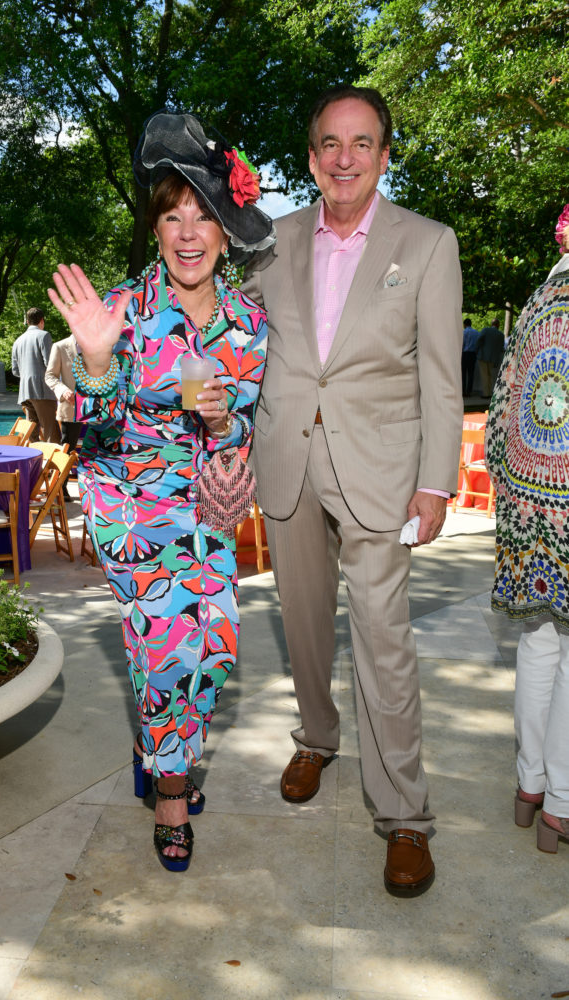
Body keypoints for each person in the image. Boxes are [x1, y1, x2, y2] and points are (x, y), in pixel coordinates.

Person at [242, 84, 462, 896]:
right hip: (288, 462)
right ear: (310, 158)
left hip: (380, 471)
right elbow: (236, 341)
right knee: (300, 624)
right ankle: (317, 736)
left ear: (382, 154)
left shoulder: (428, 244)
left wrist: (435, 482)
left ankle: (404, 814)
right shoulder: (269, 241)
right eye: (329, 144)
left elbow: (442, 377)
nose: (343, 158)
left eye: (360, 143)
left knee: (383, 640)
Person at [47, 110, 271, 872]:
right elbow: (94, 416)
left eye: (201, 215)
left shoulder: (248, 324)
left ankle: (156, 747)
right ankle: (172, 793)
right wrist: (98, 362)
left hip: (205, 510)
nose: (185, 232)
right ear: (156, 227)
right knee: (172, 643)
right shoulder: (120, 309)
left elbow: (241, 431)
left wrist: (227, 434)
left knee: (216, 647)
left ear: (224, 229)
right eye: (171, 215)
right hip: (132, 506)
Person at [485, 220, 569, 855]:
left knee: (538, 645)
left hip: (528, 503)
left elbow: (499, 412)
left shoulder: (541, 301)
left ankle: (529, 787)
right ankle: (562, 804)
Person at [11, 307, 59, 443]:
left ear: (27, 321)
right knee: (50, 428)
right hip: (42, 389)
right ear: (42, 320)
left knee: (32, 431)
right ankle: (55, 462)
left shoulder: (18, 341)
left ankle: (33, 460)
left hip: (25, 391)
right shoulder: (44, 336)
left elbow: (15, 371)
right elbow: (50, 363)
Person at [45, 332, 82, 498]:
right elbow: (50, 375)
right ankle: (61, 487)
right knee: (67, 448)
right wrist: (63, 390)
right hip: (71, 407)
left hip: (97, 408)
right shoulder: (60, 346)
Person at [476, 317, 505, 397]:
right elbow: (501, 347)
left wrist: (477, 350)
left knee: (484, 375)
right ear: (498, 325)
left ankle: (486, 393)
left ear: (492, 324)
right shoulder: (501, 335)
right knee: (490, 376)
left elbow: (478, 340)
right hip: (493, 358)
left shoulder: (485, 330)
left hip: (482, 356)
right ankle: (490, 392)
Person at [461, 317, 479, 396]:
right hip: (473, 354)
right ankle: (469, 391)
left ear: (465, 324)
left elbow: (462, 344)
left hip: (465, 354)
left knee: (463, 373)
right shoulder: (476, 332)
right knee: (471, 373)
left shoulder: (463, 332)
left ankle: (463, 390)